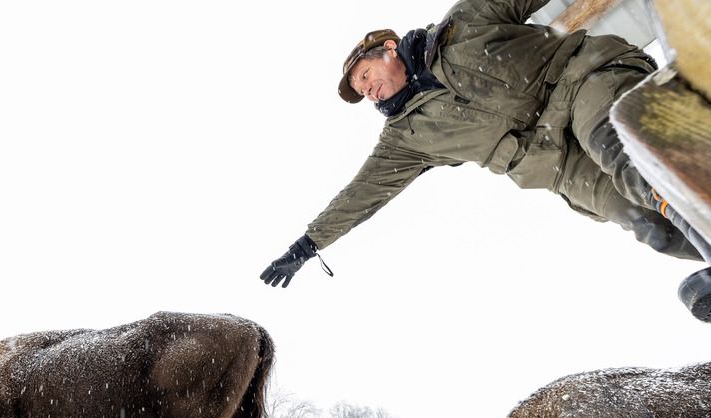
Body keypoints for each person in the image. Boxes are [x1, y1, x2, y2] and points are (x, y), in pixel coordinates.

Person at [259, 0, 711, 322]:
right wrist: (306, 246)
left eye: (365, 76)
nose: (367, 90)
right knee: (649, 227)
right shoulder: (406, 137)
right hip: (557, 165)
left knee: (623, 158)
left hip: (580, 81)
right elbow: (361, 195)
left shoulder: (465, 23)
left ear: (389, 50)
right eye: (361, 92)